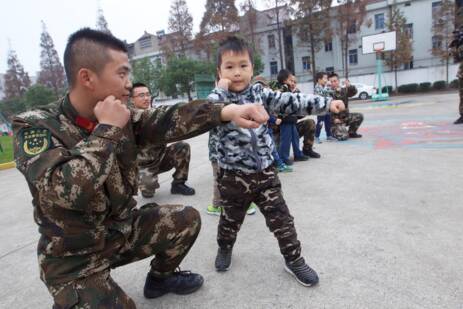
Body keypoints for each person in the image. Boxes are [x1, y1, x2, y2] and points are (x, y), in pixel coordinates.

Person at [12, 28, 269, 308]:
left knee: (186, 219)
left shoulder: (124, 114)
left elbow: (168, 117)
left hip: (120, 233)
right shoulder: (36, 125)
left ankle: (160, 279)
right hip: (73, 257)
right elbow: (64, 190)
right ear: (87, 77)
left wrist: (224, 112)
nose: (128, 84)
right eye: (121, 73)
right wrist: (107, 130)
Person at [207, 36, 345, 286]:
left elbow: (292, 101)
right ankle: (224, 248)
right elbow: (207, 112)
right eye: (229, 67)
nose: (237, 72)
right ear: (219, 72)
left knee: (282, 219)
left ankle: (294, 260)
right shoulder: (218, 99)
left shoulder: (261, 93)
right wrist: (221, 88)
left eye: (243, 65)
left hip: (265, 174)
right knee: (229, 221)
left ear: (252, 68)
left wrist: (326, 103)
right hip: (233, 178)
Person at [131, 82, 195, 197]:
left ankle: (178, 184)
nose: (146, 98)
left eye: (147, 94)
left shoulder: (157, 115)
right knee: (148, 192)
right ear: (132, 99)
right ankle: (144, 182)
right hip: (143, 165)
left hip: (161, 158)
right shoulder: (128, 120)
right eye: (141, 95)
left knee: (182, 147)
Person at [275, 69, 309, 165]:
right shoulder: (283, 89)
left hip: (291, 119)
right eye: (291, 80)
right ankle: (283, 157)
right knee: (286, 139)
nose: (292, 82)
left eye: (294, 81)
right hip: (285, 119)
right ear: (285, 81)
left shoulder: (289, 89)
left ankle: (298, 154)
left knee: (295, 137)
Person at [328, 72, 364, 140]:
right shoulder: (328, 93)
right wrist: (334, 119)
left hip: (345, 117)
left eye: (335, 81)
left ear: (338, 81)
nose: (333, 83)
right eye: (331, 82)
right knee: (343, 137)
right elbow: (327, 110)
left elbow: (354, 92)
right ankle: (334, 132)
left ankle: (352, 132)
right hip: (335, 120)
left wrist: (350, 86)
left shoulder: (344, 90)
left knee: (359, 116)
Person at [314, 71, 335, 143]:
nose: (326, 80)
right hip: (321, 109)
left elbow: (332, 93)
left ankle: (329, 135)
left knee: (328, 122)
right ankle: (316, 136)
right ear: (319, 80)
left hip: (327, 108)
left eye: (327, 78)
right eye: (325, 78)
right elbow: (321, 94)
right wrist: (328, 89)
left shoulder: (326, 86)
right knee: (320, 123)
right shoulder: (317, 87)